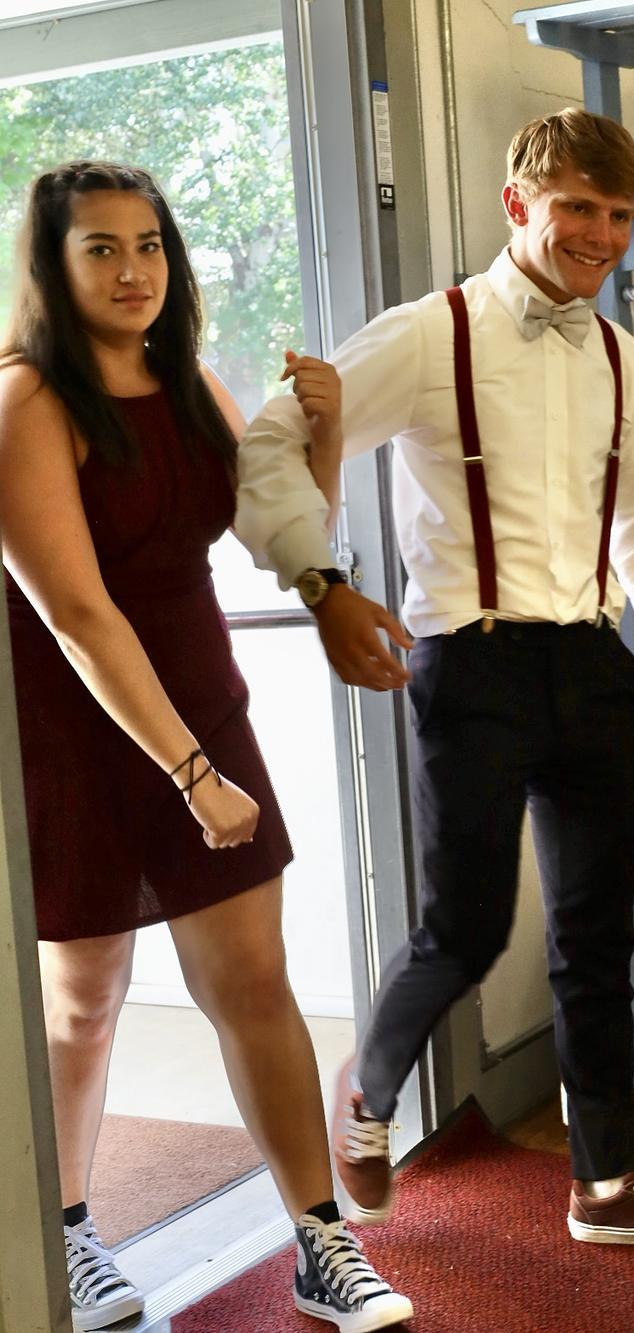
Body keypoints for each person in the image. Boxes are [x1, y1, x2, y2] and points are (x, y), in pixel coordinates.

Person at [237, 109, 634, 1255]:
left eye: (620, 215)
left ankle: (608, 1180)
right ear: (519, 203)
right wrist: (321, 583)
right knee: (465, 932)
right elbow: (270, 441)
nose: (600, 235)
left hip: (590, 663)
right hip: (468, 664)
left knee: (597, 935)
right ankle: (369, 1088)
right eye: (578, 207)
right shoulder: (431, 335)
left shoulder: (620, 358)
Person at [0, 161, 412, 1332]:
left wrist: (324, 437)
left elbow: (269, 529)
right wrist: (189, 772)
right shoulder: (26, 400)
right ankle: (63, 1232)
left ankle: (320, 1242)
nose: (133, 270)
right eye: (100, 248)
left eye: (150, 246)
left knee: (253, 984)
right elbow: (77, 614)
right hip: (76, 731)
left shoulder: (189, 385)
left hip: (203, 704)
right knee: (85, 996)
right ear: (52, 265)